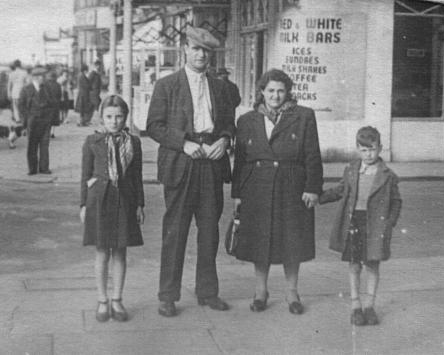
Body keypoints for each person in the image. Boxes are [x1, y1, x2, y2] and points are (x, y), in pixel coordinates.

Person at [146, 26, 235, 317]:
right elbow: (154, 126)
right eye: (196, 49)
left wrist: (224, 141)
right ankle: (167, 295)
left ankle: (207, 292)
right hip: (181, 165)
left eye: (206, 51)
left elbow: (228, 125)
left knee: (209, 231)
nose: (201, 55)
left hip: (211, 162)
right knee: (176, 231)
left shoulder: (221, 87)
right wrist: (183, 144)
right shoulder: (167, 85)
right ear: (185, 49)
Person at [231, 69, 323, 314]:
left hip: (291, 186)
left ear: (288, 92)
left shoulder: (303, 116)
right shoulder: (247, 120)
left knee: (292, 240)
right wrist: (238, 193)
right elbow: (240, 160)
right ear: (262, 92)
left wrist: (312, 188)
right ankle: (260, 291)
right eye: (270, 90)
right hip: (256, 187)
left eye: (281, 91)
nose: (275, 96)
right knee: (261, 240)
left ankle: (292, 293)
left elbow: (313, 154)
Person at [319, 126, 402, 326]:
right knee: (354, 265)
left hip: (375, 226)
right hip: (353, 222)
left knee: (372, 264)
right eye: (364, 150)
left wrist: (389, 224)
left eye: (372, 149)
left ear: (380, 148)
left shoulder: (388, 175)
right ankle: (356, 306)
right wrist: (319, 197)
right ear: (358, 149)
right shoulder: (352, 169)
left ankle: (369, 305)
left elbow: (396, 202)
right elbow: (341, 190)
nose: (368, 154)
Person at [80, 95, 145, 322]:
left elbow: (137, 176)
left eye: (119, 116)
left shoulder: (133, 142)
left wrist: (139, 205)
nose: (114, 121)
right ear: (102, 118)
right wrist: (82, 205)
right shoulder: (92, 142)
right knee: (101, 252)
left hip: (125, 201)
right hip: (99, 200)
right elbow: (85, 176)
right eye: (109, 117)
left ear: (125, 117)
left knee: (120, 251)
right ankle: (102, 299)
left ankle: (117, 299)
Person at [18, 65, 53, 175]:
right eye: (42, 76)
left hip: (45, 121)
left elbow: (52, 103)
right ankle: (32, 169)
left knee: (44, 145)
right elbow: (21, 106)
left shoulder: (47, 88)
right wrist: (26, 119)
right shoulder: (26, 89)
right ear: (36, 77)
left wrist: (50, 117)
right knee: (32, 145)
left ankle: (44, 168)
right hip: (32, 121)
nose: (44, 78)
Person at [7, 59, 28, 124]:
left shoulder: (11, 74)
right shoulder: (24, 73)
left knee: (15, 107)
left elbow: (9, 85)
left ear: (14, 65)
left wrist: (9, 93)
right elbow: (27, 83)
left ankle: (17, 120)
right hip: (22, 92)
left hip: (14, 92)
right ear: (20, 65)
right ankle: (23, 120)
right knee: (23, 107)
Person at [45, 70, 62, 139]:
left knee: (47, 119)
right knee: (54, 119)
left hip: (47, 104)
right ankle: (52, 132)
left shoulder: (46, 84)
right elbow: (60, 95)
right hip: (55, 103)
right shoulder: (58, 85)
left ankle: (47, 132)